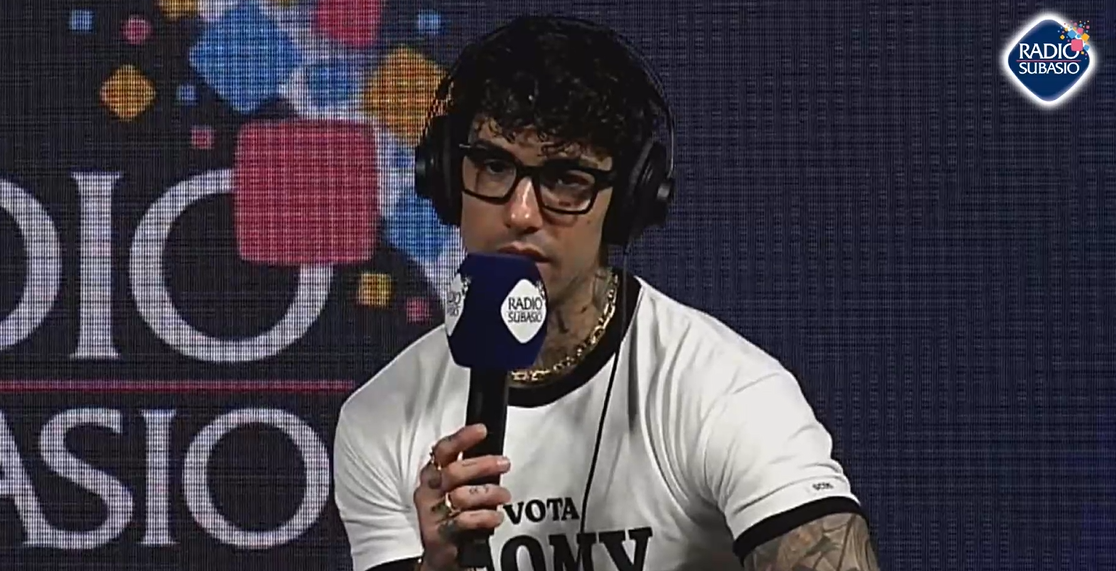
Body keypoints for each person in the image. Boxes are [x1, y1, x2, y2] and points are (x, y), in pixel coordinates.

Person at [334, 14, 881, 571]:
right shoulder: (380, 420)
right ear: (449, 177)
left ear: (626, 203)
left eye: (564, 178)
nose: (520, 213)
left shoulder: (723, 390)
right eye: (494, 166)